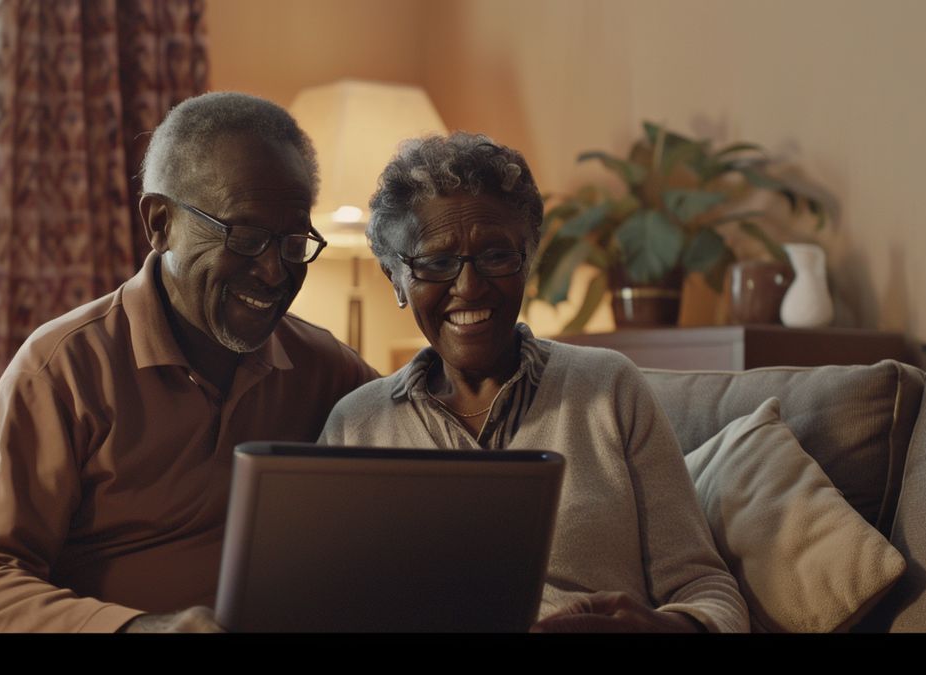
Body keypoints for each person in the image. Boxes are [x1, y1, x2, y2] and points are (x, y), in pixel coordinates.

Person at [0, 93, 378, 632]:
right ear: (159, 221)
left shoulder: (327, 371)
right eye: (247, 238)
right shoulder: (61, 372)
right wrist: (141, 630)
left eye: (292, 242)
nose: (274, 272)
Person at [318, 132, 748, 632]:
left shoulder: (608, 389)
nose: (470, 286)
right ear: (396, 279)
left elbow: (707, 589)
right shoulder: (356, 426)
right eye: (436, 262)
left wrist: (662, 628)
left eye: (498, 256)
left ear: (528, 258)